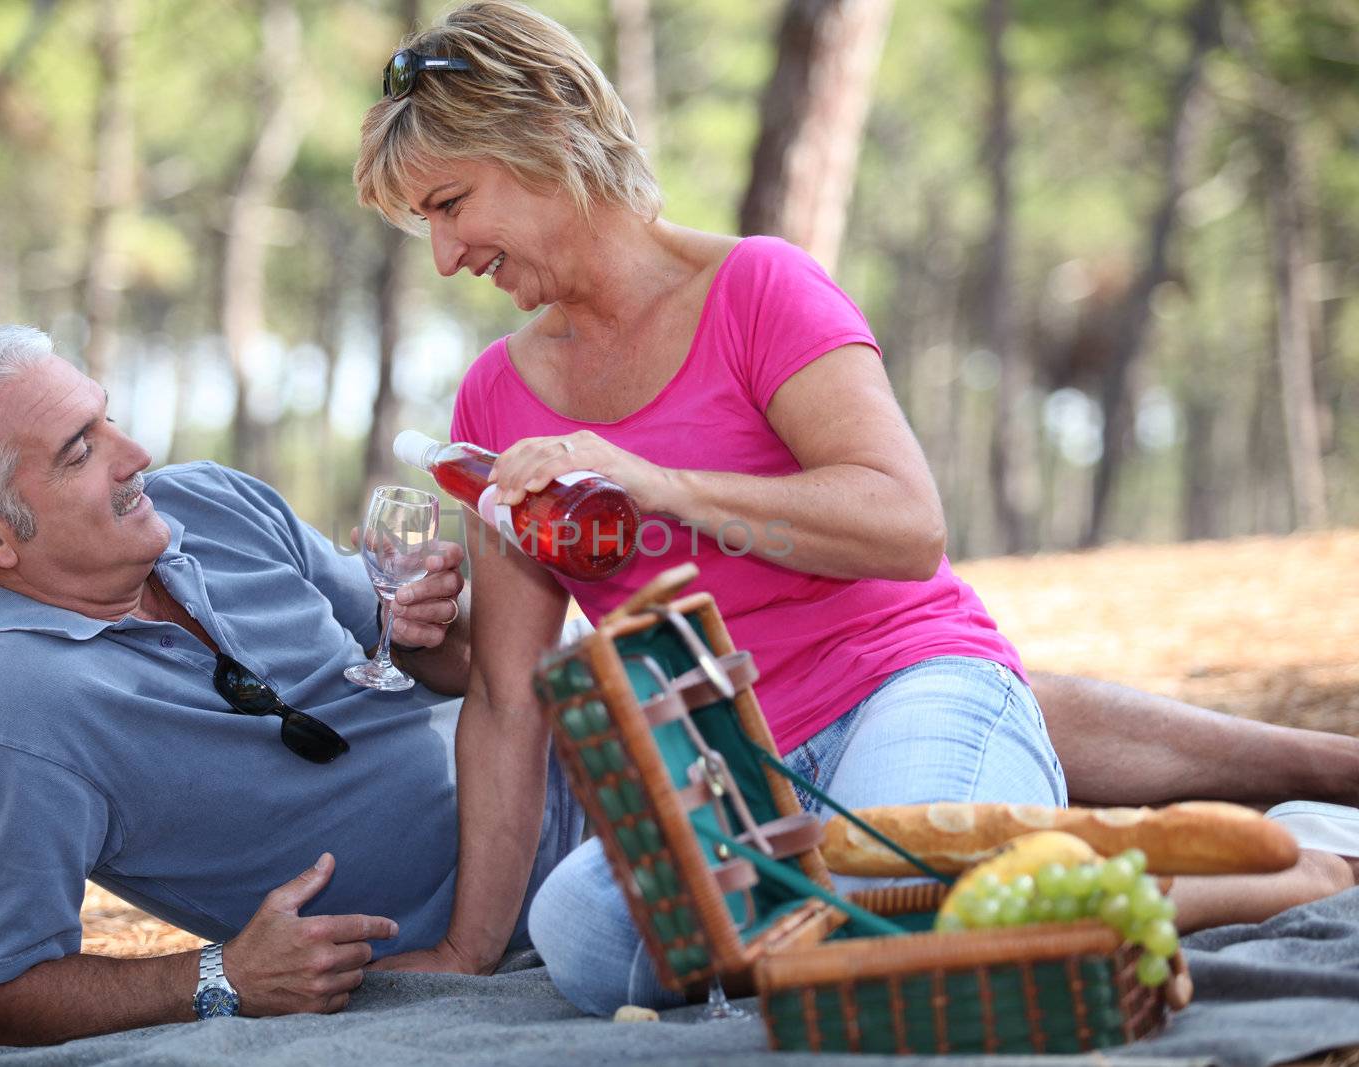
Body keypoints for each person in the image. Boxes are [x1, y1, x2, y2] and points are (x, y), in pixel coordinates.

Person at [353, 0, 1359, 1015]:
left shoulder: (758, 288)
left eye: (449, 203)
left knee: (882, 891)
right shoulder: (495, 394)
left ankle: (1299, 865)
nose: (443, 256)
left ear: (545, 135)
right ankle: (977, 885)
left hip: (906, 688)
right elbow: (505, 692)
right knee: (580, 935)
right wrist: (469, 948)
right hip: (735, 786)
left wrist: (659, 484)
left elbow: (904, 524)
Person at [0, 325, 585, 1046]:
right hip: (552, 905)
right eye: (80, 449)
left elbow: (447, 655)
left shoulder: (210, 501)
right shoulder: (11, 719)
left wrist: (439, 608)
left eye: (106, 417)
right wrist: (220, 977)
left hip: (584, 737)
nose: (135, 455)